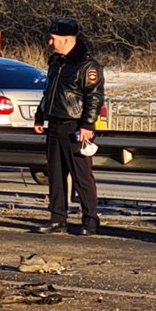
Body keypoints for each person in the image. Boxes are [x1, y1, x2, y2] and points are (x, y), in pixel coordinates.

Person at [33, 16, 104, 234]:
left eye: (53, 38)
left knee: (81, 176)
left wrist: (87, 125)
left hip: (75, 126)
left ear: (66, 39)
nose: (50, 43)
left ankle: (90, 220)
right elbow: (50, 92)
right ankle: (57, 219)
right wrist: (40, 115)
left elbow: (94, 97)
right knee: (55, 174)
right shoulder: (57, 63)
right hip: (55, 123)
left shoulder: (87, 65)